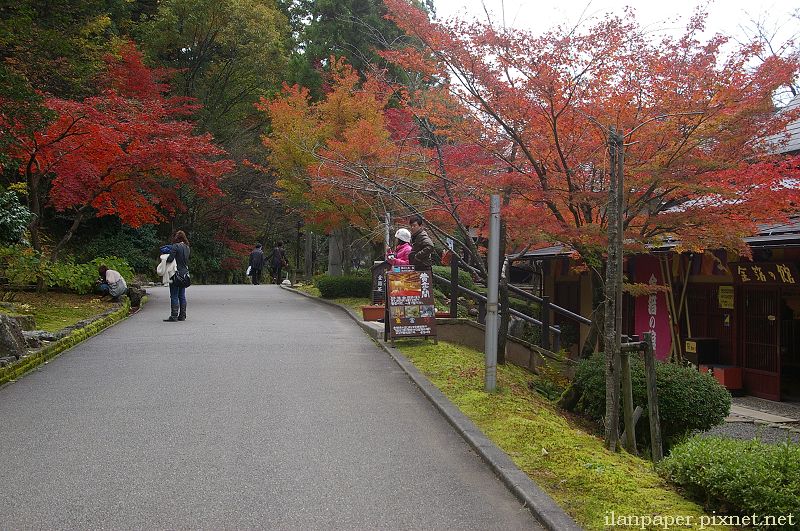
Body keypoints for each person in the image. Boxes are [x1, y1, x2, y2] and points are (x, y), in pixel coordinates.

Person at [164, 230, 190, 322]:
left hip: (175, 274)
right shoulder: (187, 247)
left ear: (176, 238)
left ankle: (174, 316)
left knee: (174, 295)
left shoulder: (175, 246)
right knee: (182, 296)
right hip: (184, 274)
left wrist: (165, 259)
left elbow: (170, 259)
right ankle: (182, 315)